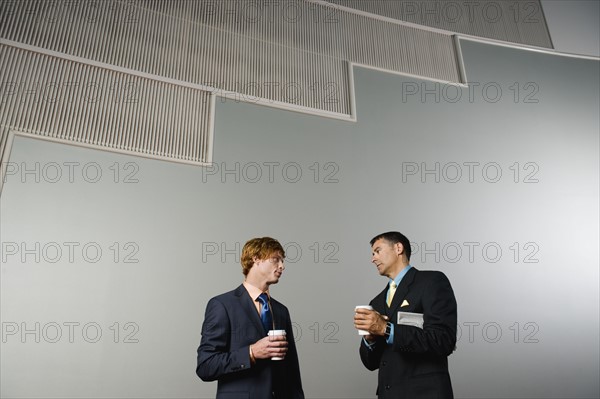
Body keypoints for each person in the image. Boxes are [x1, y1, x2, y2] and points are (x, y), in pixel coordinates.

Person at [196, 237, 304, 399]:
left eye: (282, 261)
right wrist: (251, 352)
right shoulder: (222, 305)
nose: (282, 266)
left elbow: (292, 370)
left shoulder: (281, 311)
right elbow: (206, 366)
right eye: (276, 259)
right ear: (256, 259)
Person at [354, 231, 457, 399]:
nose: (373, 259)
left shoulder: (432, 281)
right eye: (372, 254)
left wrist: (387, 329)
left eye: (377, 251)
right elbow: (371, 364)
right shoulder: (377, 302)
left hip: (425, 393)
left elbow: (443, 340)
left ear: (398, 248)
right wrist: (369, 340)